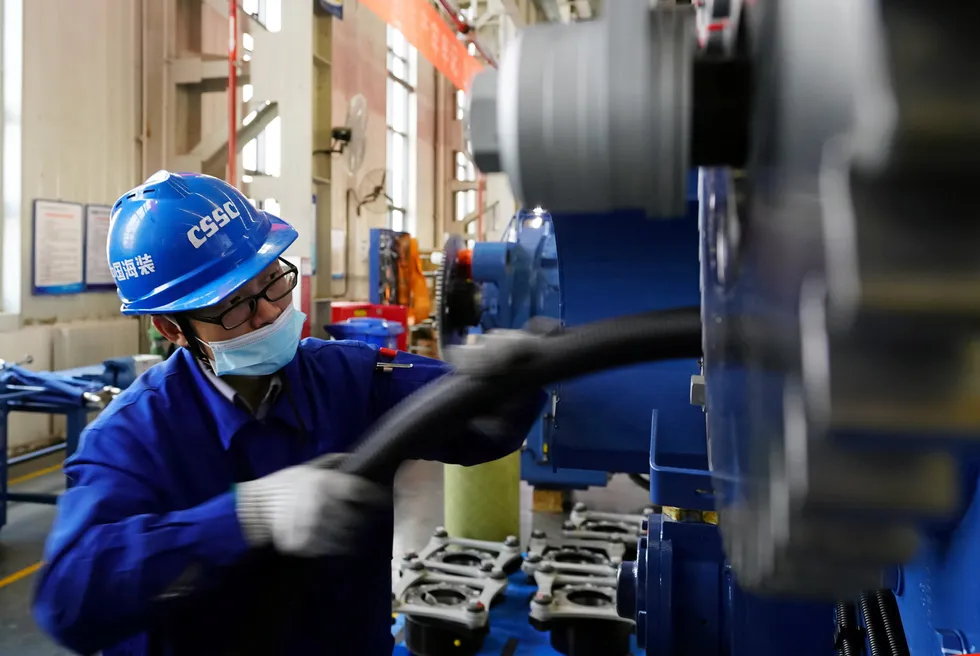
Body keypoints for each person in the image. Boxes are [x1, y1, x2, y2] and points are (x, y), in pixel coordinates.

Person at [31, 171, 545, 656]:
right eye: (235, 305)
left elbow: (480, 430)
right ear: (172, 329)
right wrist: (242, 519)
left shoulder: (349, 378)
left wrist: (505, 382)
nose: (271, 312)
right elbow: (68, 600)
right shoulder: (133, 437)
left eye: (273, 280)